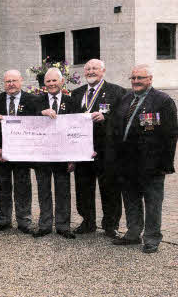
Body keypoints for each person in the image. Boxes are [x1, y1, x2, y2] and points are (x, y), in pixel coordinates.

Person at [111, 64, 178, 253]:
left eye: (140, 78)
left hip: (152, 164)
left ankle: (151, 238)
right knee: (131, 200)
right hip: (127, 163)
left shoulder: (163, 101)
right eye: (133, 78)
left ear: (150, 79)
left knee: (153, 202)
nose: (136, 82)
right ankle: (133, 233)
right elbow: (117, 129)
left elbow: (171, 135)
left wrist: (166, 164)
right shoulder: (125, 99)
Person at [70, 59, 126, 238]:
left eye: (95, 68)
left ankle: (111, 224)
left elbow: (123, 119)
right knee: (83, 187)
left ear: (103, 71)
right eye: (87, 69)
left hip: (106, 151)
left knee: (109, 188)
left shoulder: (117, 92)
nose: (91, 71)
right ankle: (88, 221)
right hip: (82, 151)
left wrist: (106, 118)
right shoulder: (76, 94)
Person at [0, 70, 38, 234]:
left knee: (23, 186)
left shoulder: (32, 100)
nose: (11, 84)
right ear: (4, 83)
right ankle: (3, 220)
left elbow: (36, 127)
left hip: (23, 154)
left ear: (21, 81)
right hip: (2, 154)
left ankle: (24, 221)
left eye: (14, 80)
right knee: (2, 187)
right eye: (8, 81)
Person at [33, 68, 76, 239]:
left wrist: (74, 157)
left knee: (63, 191)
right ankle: (44, 225)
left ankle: (63, 226)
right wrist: (40, 113)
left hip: (63, 155)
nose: (51, 84)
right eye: (48, 81)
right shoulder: (37, 101)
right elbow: (27, 122)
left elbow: (76, 129)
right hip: (42, 156)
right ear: (44, 84)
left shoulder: (71, 101)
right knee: (43, 190)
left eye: (54, 81)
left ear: (62, 82)